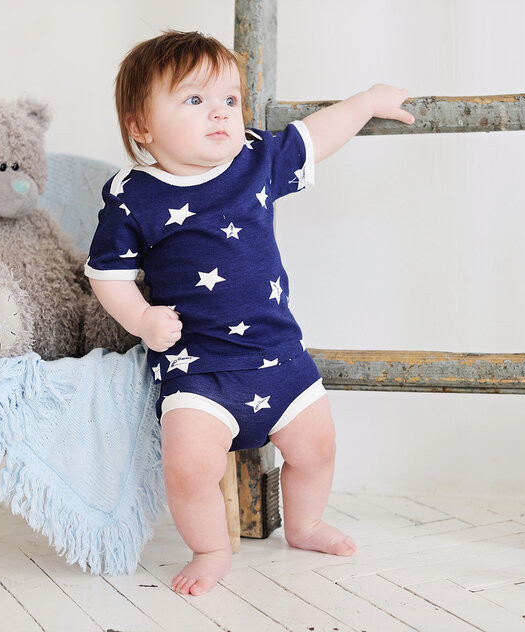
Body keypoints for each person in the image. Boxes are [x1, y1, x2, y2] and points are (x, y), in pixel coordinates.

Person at [86, 30, 415, 596]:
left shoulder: (254, 159)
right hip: (199, 370)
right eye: (195, 99)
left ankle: (304, 523)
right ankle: (210, 548)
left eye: (230, 99)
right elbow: (106, 274)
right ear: (141, 126)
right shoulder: (133, 195)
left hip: (279, 357)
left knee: (318, 448)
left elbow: (313, 137)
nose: (220, 112)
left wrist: (365, 102)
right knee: (189, 468)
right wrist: (140, 320)